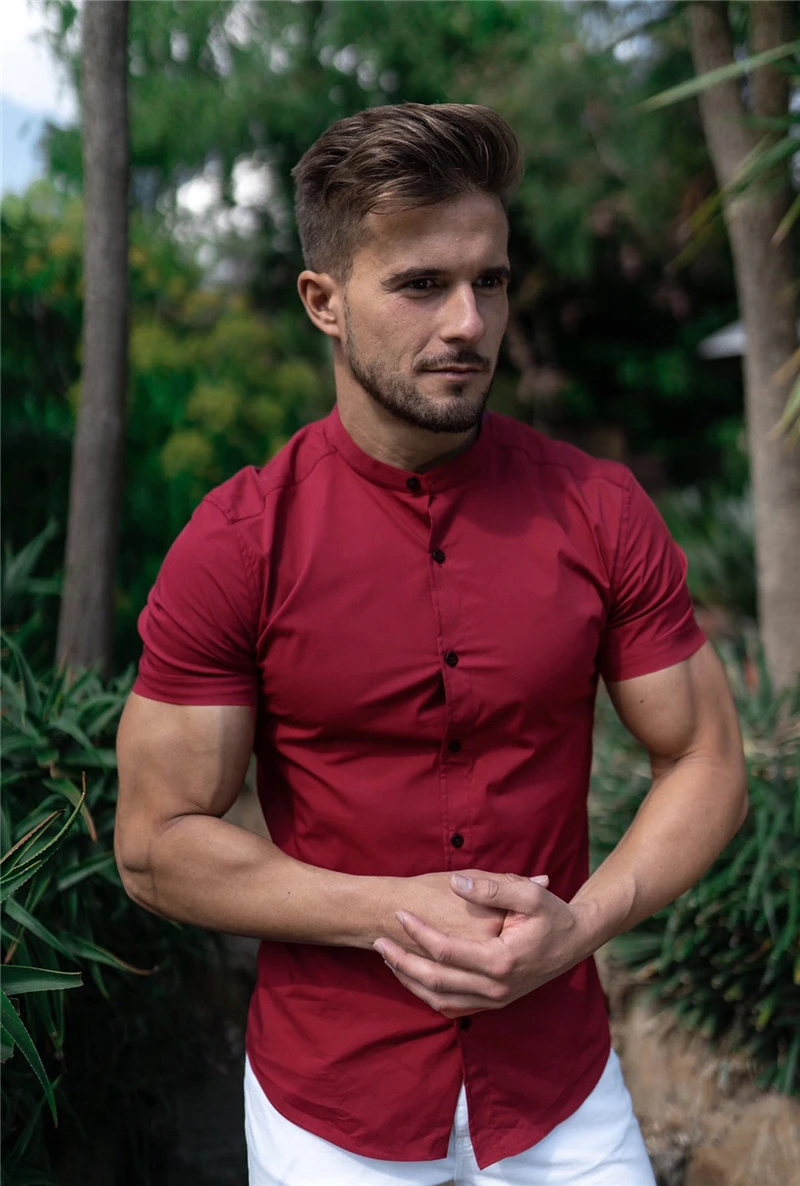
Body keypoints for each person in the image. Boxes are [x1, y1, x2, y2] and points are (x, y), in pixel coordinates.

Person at [115, 103, 748, 1186]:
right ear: (323, 301)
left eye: (488, 281)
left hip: (560, 1088)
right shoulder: (238, 544)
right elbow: (155, 841)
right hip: (332, 1109)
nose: (467, 322)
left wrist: (578, 925)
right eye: (420, 284)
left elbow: (706, 757)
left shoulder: (597, 509)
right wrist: (391, 909)